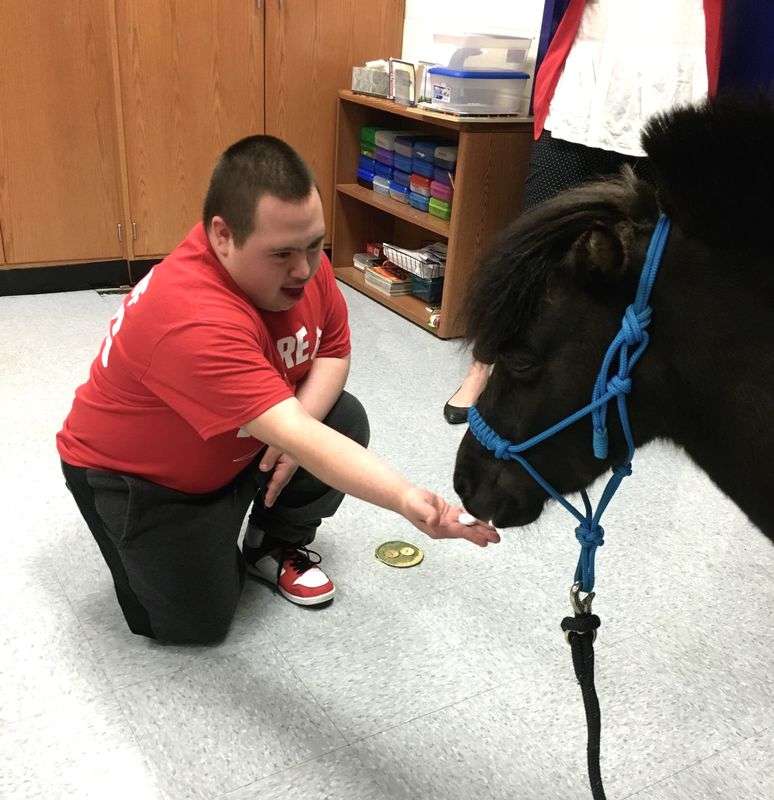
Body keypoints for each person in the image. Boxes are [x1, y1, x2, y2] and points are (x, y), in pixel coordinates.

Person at [57, 136, 498, 645]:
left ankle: (269, 542)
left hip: (235, 444)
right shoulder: (190, 317)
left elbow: (332, 351)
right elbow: (298, 433)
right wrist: (406, 498)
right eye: (283, 254)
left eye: (314, 245)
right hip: (143, 481)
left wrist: (294, 435)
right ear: (222, 235)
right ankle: (186, 541)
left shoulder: (297, 259)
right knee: (196, 626)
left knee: (342, 420)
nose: (305, 269)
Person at [444, 0, 723, 425]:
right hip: (586, 86)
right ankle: (484, 366)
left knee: (653, 262)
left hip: (676, 86)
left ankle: (607, 385)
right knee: (534, 246)